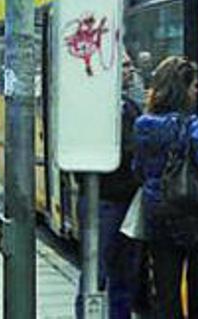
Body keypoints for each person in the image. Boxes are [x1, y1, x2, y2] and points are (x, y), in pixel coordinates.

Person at [133, 56, 198, 319]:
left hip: (157, 216)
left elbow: (137, 170)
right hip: (190, 216)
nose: (196, 91)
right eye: (194, 85)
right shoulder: (191, 124)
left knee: (167, 291)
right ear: (182, 88)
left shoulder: (142, 124)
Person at [75, 52, 143, 319]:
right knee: (96, 275)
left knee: (125, 275)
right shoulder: (96, 108)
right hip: (103, 202)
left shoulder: (130, 106)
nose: (131, 69)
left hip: (125, 201)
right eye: (125, 65)